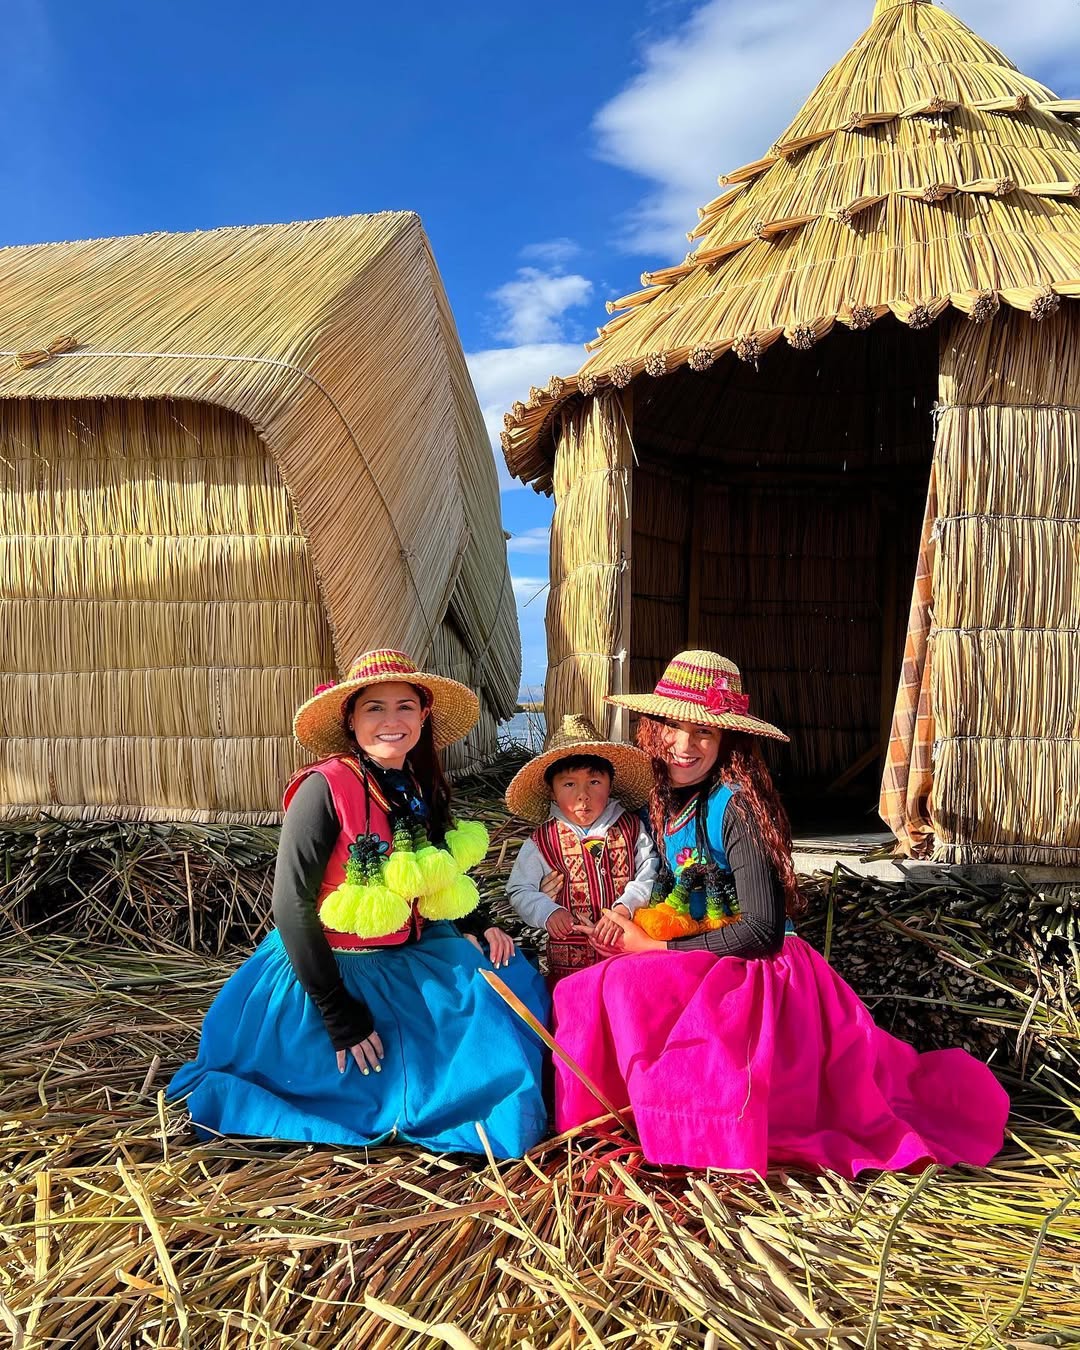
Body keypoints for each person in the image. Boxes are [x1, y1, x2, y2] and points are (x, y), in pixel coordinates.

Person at [552, 650, 1009, 1177]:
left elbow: (763, 931)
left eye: (704, 732)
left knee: (622, 986)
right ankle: (615, 1118)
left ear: (728, 740)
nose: (685, 745)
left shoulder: (736, 805)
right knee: (585, 988)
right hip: (706, 954)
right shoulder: (664, 803)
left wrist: (653, 948)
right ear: (653, 729)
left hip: (759, 973)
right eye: (674, 727)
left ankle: (680, 1121)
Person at [169, 650, 549, 1158]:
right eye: (374, 708)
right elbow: (290, 904)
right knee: (372, 1082)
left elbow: (435, 866)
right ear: (351, 718)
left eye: (405, 707)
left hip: (410, 949)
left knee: (503, 987)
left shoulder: (417, 785)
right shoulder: (322, 788)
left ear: (423, 715)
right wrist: (338, 1013)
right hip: (335, 966)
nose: (391, 722)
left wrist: (476, 921)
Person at [504, 714, 658, 985]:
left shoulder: (631, 828)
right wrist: (547, 911)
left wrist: (625, 907)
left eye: (594, 782)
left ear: (610, 785)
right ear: (552, 791)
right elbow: (519, 890)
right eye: (569, 784)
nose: (582, 795)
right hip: (569, 970)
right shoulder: (543, 841)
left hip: (626, 957)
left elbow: (649, 869)